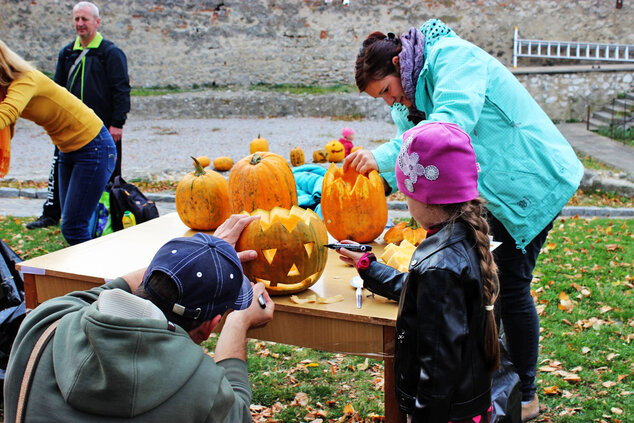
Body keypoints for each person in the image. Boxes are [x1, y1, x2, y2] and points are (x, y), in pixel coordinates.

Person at [344, 20, 584, 421]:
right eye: (382, 99)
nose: (390, 102)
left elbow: (452, 120)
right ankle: (491, 380)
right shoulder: (408, 102)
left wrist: (382, 155)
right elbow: (415, 158)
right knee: (483, 286)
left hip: (530, 180)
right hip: (494, 192)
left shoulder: (453, 58)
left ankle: (524, 393)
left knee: (510, 286)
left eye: (387, 90)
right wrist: (378, 178)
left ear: (401, 64)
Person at [3, 213, 274, 422]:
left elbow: (116, 288)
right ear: (208, 327)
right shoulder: (204, 390)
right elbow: (239, 413)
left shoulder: (43, 323)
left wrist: (195, 257)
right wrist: (238, 323)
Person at [338, 122, 499, 422]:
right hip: (468, 403)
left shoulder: (439, 265)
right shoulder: (466, 235)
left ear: (424, 197)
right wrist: (368, 267)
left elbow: (437, 369)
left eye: (405, 196)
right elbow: (421, 291)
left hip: (443, 413)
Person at [0, 39, 115, 246]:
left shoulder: (26, 80)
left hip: (94, 147)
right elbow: (8, 128)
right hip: (67, 150)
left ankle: (93, 276)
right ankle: (88, 274)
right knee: (74, 225)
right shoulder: (7, 90)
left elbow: (7, 114)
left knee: (74, 227)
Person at [27, 1, 130, 230]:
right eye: (77, 19)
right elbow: (56, 90)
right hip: (67, 128)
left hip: (101, 131)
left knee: (109, 176)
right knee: (61, 173)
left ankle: (109, 219)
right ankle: (53, 213)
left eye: (85, 19)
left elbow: (121, 89)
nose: (80, 24)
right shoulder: (67, 53)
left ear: (97, 22)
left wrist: (117, 123)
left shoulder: (110, 53)